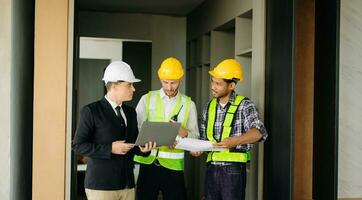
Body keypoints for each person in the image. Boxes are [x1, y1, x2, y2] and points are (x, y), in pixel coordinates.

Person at [72, 60, 156, 200]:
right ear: (115, 86)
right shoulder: (91, 111)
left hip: (127, 184)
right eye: (129, 85)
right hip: (101, 186)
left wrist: (142, 149)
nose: (133, 89)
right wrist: (110, 148)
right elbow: (78, 146)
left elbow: (132, 144)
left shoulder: (130, 113)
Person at [191, 59, 268, 200]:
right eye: (213, 81)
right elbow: (204, 139)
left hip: (233, 171)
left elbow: (259, 132)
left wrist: (235, 141)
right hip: (211, 170)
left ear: (231, 85)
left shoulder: (245, 105)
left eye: (218, 83)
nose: (213, 86)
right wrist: (197, 149)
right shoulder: (208, 107)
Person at [134, 57, 199, 200]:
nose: (169, 87)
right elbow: (135, 129)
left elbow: (195, 138)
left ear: (180, 79)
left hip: (174, 169)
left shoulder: (189, 104)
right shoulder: (147, 99)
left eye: (173, 83)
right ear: (160, 79)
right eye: (165, 82)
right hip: (148, 164)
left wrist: (183, 133)